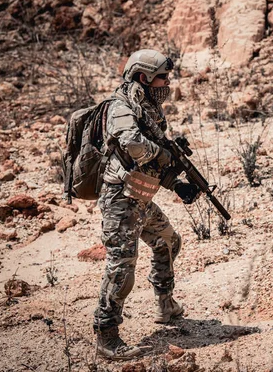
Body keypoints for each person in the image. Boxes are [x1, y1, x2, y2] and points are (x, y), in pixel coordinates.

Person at [93, 49, 200, 360]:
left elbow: (146, 166)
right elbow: (132, 145)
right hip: (120, 203)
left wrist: (177, 184)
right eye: (162, 78)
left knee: (168, 241)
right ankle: (107, 335)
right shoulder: (121, 109)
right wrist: (165, 154)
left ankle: (166, 305)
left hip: (140, 200)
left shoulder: (147, 109)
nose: (167, 83)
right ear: (143, 78)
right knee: (121, 267)